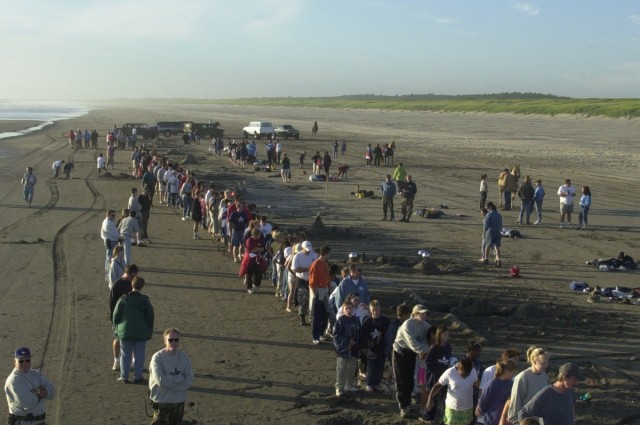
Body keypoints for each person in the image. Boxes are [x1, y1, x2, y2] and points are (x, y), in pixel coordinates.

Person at [113, 276, 154, 383]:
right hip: (141, 331)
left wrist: (117, 326)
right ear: (142, 286)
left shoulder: (123, 299)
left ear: (132, 285)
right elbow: (150, 316)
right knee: (140, 354)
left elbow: (116, 315)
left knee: (125, 354)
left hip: (125, 331)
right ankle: (138, 376)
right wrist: (148, 328)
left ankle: (124, 377)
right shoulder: (145, 300)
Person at [148, 328, 194, 425]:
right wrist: (180, 378)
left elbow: (189, 380)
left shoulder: (184, 357)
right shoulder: (157, 358)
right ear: (165, 341)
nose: (174, 342)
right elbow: (161, 380)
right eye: (170, 340)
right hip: (162, 403)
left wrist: (172, 385)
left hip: (179, 402)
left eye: (176, 340)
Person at [392, 304, 431, 418]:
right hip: (400, 352)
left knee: (410, 379)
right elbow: (413, 344)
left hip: (411, 354)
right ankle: (403, 406)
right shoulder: (407, 324)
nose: (424, 315)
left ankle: (407, 402)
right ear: (415, 314)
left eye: (425, 313)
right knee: (401, 379)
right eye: (421, 313)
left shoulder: (425, 325)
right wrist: (428, 349)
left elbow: (431, 334)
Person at [518, 362, 584, 425]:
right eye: (574, 380)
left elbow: (571, 411)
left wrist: (573, 420)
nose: (577, 383)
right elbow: (523, 414)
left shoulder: (570, 391)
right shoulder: (546, 394)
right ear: (564, 378)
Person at [5, 347, 55, 425]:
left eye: (27, 360)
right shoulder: (14, 380)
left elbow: (52, 392)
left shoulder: (36, 374)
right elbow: (28, 403)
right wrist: (40, 392)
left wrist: (36, 392)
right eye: (21, 361)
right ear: (14, 361)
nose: (24, 363)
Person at [502, 346, 550, 425]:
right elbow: (515, 404)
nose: (546, 365)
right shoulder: (522, 378)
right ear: (534, 362)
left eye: (547, 362)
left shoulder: (545, 376)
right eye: (543, 363)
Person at [426, 357, 479, 425]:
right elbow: (438, 385)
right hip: (452, 408)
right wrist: (430, 398)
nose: (466, 376)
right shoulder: (450, 372)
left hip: (467, 408)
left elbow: (477, 383)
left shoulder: (472, 371)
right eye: (463, 374)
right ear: (458, 368)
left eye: (468, 374)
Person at [359, 300, 390, 392]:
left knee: (380, 367)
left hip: (381, 348)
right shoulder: (367, 321)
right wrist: (365, 346)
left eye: (377, 310)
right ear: (370, 310)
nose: (375, 312)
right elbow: (362, 335)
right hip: (371, 348)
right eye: (373, 310)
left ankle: (377, 383)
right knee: (371, 367)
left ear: (380, 309)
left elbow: (389, 335)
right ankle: (369, 383)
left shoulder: (385, 321)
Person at [476, 360, 517, 425]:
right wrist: (480, 409)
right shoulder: (492, 383)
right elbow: (484, 398)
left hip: (504, 418)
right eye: (513, 373)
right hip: (492, 419)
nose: (514, 375)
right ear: (506, 371)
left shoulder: (511, 383)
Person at [333, 300, 360, 397]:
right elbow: (336, 336)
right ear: (343, 310)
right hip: (342, 350)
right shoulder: (340, 321)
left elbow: (359, 333)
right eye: (346, 308)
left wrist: (356, 343)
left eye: (350, 308)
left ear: (353, 309)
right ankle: (339, 388)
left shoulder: (356, 320)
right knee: (341, 369)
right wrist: (347, 342)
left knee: (352, 368)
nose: (349, 310)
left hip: (353, 350)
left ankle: (349, 385)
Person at [291, 240, 318, 326]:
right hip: (301, 279)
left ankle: (312, 316)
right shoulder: (297, 256)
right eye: (306, 249)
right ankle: (302, 317)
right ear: (302, 248)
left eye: (309, 249)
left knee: (312, 299)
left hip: (312, 280)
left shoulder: (314, 255)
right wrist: (307, 269)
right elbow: (295, 269)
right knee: (302, 299)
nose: (308, 251)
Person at [308, 245, 332, 344]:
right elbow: (312, 282)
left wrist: (328, 290)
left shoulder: (324, 264)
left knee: (325, 313)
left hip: (325, 290)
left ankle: (321, 333)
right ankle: (315, 336)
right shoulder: (316, 264)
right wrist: (316, 295)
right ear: (326, 253)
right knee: (317, 315)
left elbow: (327, 279)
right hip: (319, 290)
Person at [239, 227, 266, 294]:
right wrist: (258, 249)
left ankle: (256, 285)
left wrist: (258, 249)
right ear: (255, 234)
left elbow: (262, 248)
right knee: (249, 274)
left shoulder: (259, 240)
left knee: (259, 273)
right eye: (259, 235)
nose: (260, 236)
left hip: (258, 258)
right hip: (250, 259)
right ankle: (249, 287)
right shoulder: (249, 240)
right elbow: (252, 249)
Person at [101, 210, 122, 280]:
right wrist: (120, 238)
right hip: (110, 242)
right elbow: (115, 234)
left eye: (114, 215)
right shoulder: (108, 223)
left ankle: (108, 275)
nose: (114, 217)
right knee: (109, 258)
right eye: (112, 215)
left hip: (109, 241)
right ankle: (108, 276)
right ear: (108, 215)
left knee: (110, 258)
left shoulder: (107, 221)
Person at [483, 202, 502, 267]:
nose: (487, 209)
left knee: (487, 245)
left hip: (490, 231)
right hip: (497, 231)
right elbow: (500, 224)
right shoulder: (499, 215)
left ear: (490, 207)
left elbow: (486, 226)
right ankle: (498, 259)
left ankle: (486, 259)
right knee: (497, 246)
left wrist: (484, 233)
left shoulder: (488, 215)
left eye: (487, 208)